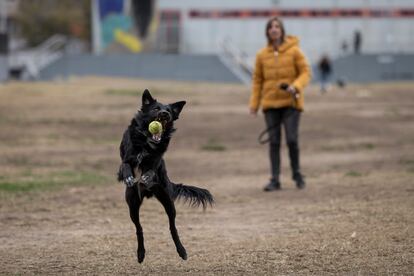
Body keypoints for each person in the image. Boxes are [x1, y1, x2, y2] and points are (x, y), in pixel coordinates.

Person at [249, 17, 311, 191]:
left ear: (282, 30)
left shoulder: (295, 51)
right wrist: (254, 105)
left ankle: (297, 173)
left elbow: (306, 72)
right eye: (271, 27)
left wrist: (296, 86)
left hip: (291, 103)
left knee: (291, 140)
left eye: (277, 26)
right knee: (274, 142)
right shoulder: (261, 55)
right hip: (270, 105)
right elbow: (257, 81)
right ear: (267, 32)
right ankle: (275, 179)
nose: (274, 29)